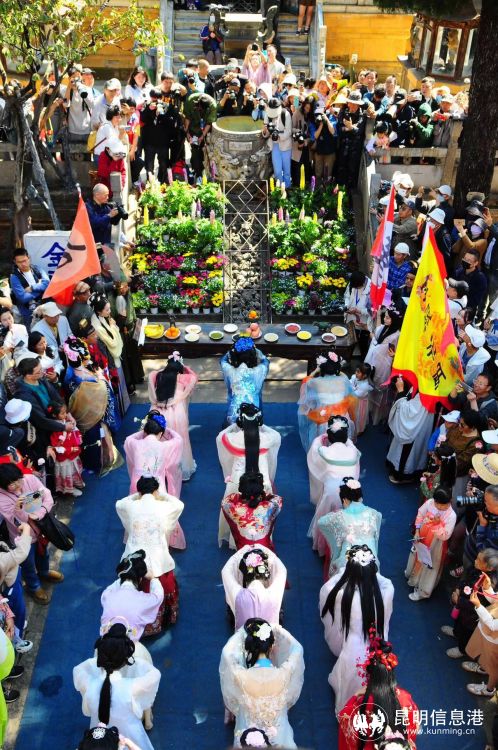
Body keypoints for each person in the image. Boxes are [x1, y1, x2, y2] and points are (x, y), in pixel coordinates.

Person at [319, 545, 394, 715]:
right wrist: (366, 569)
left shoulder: (344, 597)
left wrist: (345, 571)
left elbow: (327, 589)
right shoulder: (386, 592)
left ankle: (347, 711)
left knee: (349, 683)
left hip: (353, 647)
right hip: (376, 646)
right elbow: (384, 581)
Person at [73, 623, 161, 750]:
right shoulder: (132, 687)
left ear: (101, 656)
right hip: (130, 736)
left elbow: (78, 669)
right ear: (125, 660)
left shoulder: (89, 683)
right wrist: (133, 661)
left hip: (99, 740)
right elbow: (155, 674)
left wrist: (103, 659)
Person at [219, 618, 304, 748]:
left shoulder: (241, 676)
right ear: (272, 646)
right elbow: (298, 649)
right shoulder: (284, 674)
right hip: (280, 741)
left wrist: (242, 632)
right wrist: (277, 628)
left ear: (248, 647)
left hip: (247, 740)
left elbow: (226, 653)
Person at [115, 476, 184, 631]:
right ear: (155, 490)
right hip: (158, 559)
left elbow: (119, 504)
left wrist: (137, 495)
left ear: (139, 490)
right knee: (164, 584)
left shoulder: (131, 505)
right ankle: (164, 618)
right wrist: (161, 495)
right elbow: (179, 505)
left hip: (135, 560)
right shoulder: (162, 506)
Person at [217, 403, 281, 548]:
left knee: (236, 511)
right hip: (262, 479)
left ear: (241, 421)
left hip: (238, 480)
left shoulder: (233, 438)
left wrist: (235, 426)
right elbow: (277, 435)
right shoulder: (267, 438)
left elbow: (220, 437)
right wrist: (261, 426)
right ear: (258, 420)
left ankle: (236, 540)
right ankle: (262, 537)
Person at [338, 637, 418, 750]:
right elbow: (412, 730)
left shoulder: (359, 704)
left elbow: (346, 727)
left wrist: (355, 696)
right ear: (391, 674)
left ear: (369, 673)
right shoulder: (405, 699)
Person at [0, 463, 63, 604]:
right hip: (23, 538)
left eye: (18, 479)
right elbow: (17, 522)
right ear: (3, 486)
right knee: (28, 563)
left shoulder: (29, 478)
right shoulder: (1, 499)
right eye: (11, 484)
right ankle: (34, 586)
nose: (17, 485)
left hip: (42, 530)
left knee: (44, 554)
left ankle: (44, 572)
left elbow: (47, 496)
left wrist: (38, 514)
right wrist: (18, 509)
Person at [100, 550, 164, 688]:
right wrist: (153, 578)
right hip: (131, 652)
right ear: (140, 579)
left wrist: (125, 575)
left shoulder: (107, 595)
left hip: (105, 648)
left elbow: (112, 587)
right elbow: (158, 596)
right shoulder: (143, 600)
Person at [123, 410, 185, 551]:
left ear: (145, 431)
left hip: (137, 483)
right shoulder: (164, 446)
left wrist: (143, 431)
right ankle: (160, 542)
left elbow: (128, 439)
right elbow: (178, 440)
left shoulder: (135, 443)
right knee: (159, 514)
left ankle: (137, 538)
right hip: (156, 485)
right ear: (160, 433)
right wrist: (166, 430)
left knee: (137, 511)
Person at [63, 337, 122, 476]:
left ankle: (100, 460)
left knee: (97, 438)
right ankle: (103, 461)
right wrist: (101, 379)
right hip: (95, 412)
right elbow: (100, 391)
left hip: (89, 412)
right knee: (98, 438)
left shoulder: (71, 374)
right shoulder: (78, 376)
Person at [307, 415, 361, 555]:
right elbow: (350, 444)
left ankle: (323, 546)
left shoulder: (325, 451)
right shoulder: (353, 452)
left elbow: (314, 450)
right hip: (350, 493)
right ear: (346, 435)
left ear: (329, 435)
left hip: (331, 494)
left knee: (326, 518)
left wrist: (321, 437)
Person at [148, 352, 198, 480]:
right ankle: (180, 469)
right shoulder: (184, 378)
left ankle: (160, 469)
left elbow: (153, 375)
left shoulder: (157, 376)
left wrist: (169, 367)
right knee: (179, 441)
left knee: (159, 441)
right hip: (177, 414)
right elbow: (193, 376)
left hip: (158, 413)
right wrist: (183, 366)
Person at [318, 478, 382, 578]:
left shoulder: (338, 517)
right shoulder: (375, 514)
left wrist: (340, 532)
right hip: (370, 560)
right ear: (360, 497)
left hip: (347, 562)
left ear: (344, 500)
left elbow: (321, 522)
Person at [442, 548, 498, 661]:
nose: (475, 560)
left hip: (472, 616)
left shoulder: (489, 582)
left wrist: (458, 601)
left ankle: (461, 650)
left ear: (489, 568)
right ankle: (455, 632)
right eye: (477, 558)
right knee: (458, 622)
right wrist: (458, 588)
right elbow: (465, 580)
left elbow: (478, 603)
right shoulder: (475, 568)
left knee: (466, 632)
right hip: (462, 604)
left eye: (479, 560)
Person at [297, 351, 356, 453]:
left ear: (321, 367)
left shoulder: (314, 382)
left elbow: (305, 384)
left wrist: (315, 371)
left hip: (324, 420)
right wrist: (337, 369)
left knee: (322, 444)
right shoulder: (344, 380)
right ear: (337, 367)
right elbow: (344, 377)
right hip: (343, 418)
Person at [405, 486, 457, 600]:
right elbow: (420, 514)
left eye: (443, 505)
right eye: (437, 503)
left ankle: (422, 591)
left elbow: (446, 535)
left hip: (436, 544)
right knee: (417, 556)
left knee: (429, 564)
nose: (439, 507)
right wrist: (417, 531)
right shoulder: (429, 503)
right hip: (422, 536)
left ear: (450, 501)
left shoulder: (452, 516)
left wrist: (437, 524)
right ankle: (413, 577)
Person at [221, 545, 287, 630]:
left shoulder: (238, 595)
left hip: (244, 635)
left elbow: (225, 571)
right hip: (270, 635)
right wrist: (265, 550)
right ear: (265, 575)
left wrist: (241, 551)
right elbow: (282, 571)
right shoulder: (274, 594)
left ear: (245, 576)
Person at [15, 357, 67, 461]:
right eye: (38, 371)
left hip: (56, 421)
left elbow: (56, 396)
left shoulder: (41, 379)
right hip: (46, 431)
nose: (43, 372)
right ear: (28, 376)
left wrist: (66, 413)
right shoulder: (24, 395)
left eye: (41, 368)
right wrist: (63, 427)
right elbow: (41, 420)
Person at [386, 380, 435, 484]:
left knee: (407, 451)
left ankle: (402, 475)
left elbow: (410, 413)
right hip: (419, 424)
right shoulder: (423, 384)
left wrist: (400, 391)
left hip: (413, 427)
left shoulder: (426, 391)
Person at [221, 470, 282, 552]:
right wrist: (261, 495)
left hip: (243, 553)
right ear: (260, 490)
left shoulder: (234, 509)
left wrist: (241, 496)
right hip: (266, 553)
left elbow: (226, 501)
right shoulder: (270, 507)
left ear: (241, 489)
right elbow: (277, 498)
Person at [90, 294, 129, 414]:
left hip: (111, 356)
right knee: (116, 383)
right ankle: (121, 410)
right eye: (107, 310)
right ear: (99, 311)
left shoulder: (100, 317)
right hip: (109, 359)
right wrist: (113, 326)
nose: (110, 311)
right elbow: (112, 343)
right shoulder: (97, 327)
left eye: (109, 308)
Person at [364, 306, 403, 425]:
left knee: (380, 387)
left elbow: (383, 348)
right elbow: (377, 334)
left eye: (387, 318)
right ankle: (370, 410)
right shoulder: (384, 328)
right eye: (385, 317)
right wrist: (378, 314)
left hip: (384, 365)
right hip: (374, 361)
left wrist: (372, 336)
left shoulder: (396, 335)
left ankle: (379, 415)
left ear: (394, 320)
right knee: (371, 383)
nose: (385, 319)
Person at [220, 338, 270, 427]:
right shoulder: (259, 371)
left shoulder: (229, 371)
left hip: (234, 415)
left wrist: (229, 352)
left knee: (231, 397)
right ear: (253, 356)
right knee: (257, 395)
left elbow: (222, 361)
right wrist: (259, 352)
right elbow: (265, 361)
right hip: (253, 410)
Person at [141, 88, 184, 185]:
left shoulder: (167, 106)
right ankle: (150, 184)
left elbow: (172, 123)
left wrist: (161, 115)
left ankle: (162, 182)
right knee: (149, 165)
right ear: (151, 97)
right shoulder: (146, 105)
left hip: (163, 142)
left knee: (163, 164)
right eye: (154, 98)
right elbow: (142, 118)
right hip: (149, 141)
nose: (156, 100)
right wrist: (149, 109)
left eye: (158, 98)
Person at [109, 280, 144, 395]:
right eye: (123, 287)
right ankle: (129, 383)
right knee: (125, 358)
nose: (125, 289)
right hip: (121, 332)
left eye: (126, 286)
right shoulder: (112, 300)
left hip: (132, 328)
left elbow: (132, 309)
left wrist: (136, 321)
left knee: (134, 354)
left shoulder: (128, 295)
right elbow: (113, 319)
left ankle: (138, 376)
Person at [47, 400, 84, 497]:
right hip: (65, 455)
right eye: (62, 413)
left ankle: (76, 483)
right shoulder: (54, 428)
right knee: (68, 472)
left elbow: (74, 432)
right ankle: (71, 489)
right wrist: (68, 450)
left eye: (66, 412)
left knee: (73, 469)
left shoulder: (66, 421)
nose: (65, 415)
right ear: (54, 415)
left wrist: (78, 436)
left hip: (72, 451)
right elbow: (57, 446)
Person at [335, 91, 367, 189]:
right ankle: (339, 190)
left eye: (355, 104)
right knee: (340, 168)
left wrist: (350, 127)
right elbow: (339, 129)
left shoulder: (362, 114)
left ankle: (349, 192)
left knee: (352, 170)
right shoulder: (343, 112)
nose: (352, 106)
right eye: (351, 103)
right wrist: (349, 128)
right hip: (343, 145)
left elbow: (359, 131)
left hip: (355, 148)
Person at [9, 249, 49, 327]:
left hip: (44, 305)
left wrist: (32, 288)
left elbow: (47, 283)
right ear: (15, 262)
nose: (23, 264)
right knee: (33, 332)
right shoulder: (14, 277)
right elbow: (23, 298)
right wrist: (40, 287)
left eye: (25, 260)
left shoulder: (37, 269)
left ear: (29, 258)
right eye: (19, 262)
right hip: (28, 311)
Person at [31, 301, 72, 375]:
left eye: (57, 315)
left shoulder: (63, 319)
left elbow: (70, 334)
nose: (56, 318)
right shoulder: (37, 329)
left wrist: (68, 344)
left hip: (67, 356)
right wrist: (56, 349)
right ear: (45, 316)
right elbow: (39, 349)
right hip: (52, 361)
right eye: (52, 316)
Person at [183, 92, 217, 179]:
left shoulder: (213, 106)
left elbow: (209, 123)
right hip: (192, 128)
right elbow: (187, 117)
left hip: (205, 129)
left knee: (203, 150)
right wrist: (187, 133)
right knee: (195, 150)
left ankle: (203, 171)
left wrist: (202, 136)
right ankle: (197, 172)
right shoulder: (191, 100)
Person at [262, 98, 293, 189]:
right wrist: (265, 131)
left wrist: (278, 136)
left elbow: (288, 131)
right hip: (274, 145)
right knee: (277, 171)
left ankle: (287, 188)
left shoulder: (285, 114)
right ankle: (279, 189)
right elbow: (266, 133)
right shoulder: (267, 115)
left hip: (286, 145)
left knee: (287, 170)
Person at [344, 271, 373, 360]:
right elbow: (347, 296)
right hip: (351, 318)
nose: (356, 288)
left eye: (357, 287)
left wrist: (359, 311)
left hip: (364, 322)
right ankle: (348, 359)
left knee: (363, 343)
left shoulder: (371, 289)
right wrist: (347, 306)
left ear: (363, 283)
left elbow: (373, 310)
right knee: (350, 341)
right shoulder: (353, 282)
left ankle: (363, 360)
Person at [454, 249, 488, 319]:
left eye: (469, 261)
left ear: (475, 263)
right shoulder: (459, 271)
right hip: (453, 303)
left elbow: (475, 301)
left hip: (466, 312)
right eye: (465, 259)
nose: (465, 261)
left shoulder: (480, 279)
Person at [312, 105, 338, 187]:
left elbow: (333, 132)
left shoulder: (332, 117)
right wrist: (321, 125)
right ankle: (317, 189)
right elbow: (315, 136)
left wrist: (326, 120)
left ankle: (326, 190)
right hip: (319, 151)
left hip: (330, 151)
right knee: (318, 173)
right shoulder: (316, 119)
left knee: (327, 174)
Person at [349, 363, 374, 435]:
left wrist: (351, 388)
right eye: (356, 371)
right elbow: (350, 382)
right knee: (352, 415)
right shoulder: (354, 377)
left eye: (358, 372)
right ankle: (353, 426)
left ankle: (359, 430)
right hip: (354, 400)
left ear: (365, 375)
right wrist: (352, 387)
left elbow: (356, 394)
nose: (356, 373)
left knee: (359, 417)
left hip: (360, 404)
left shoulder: (365, 386)